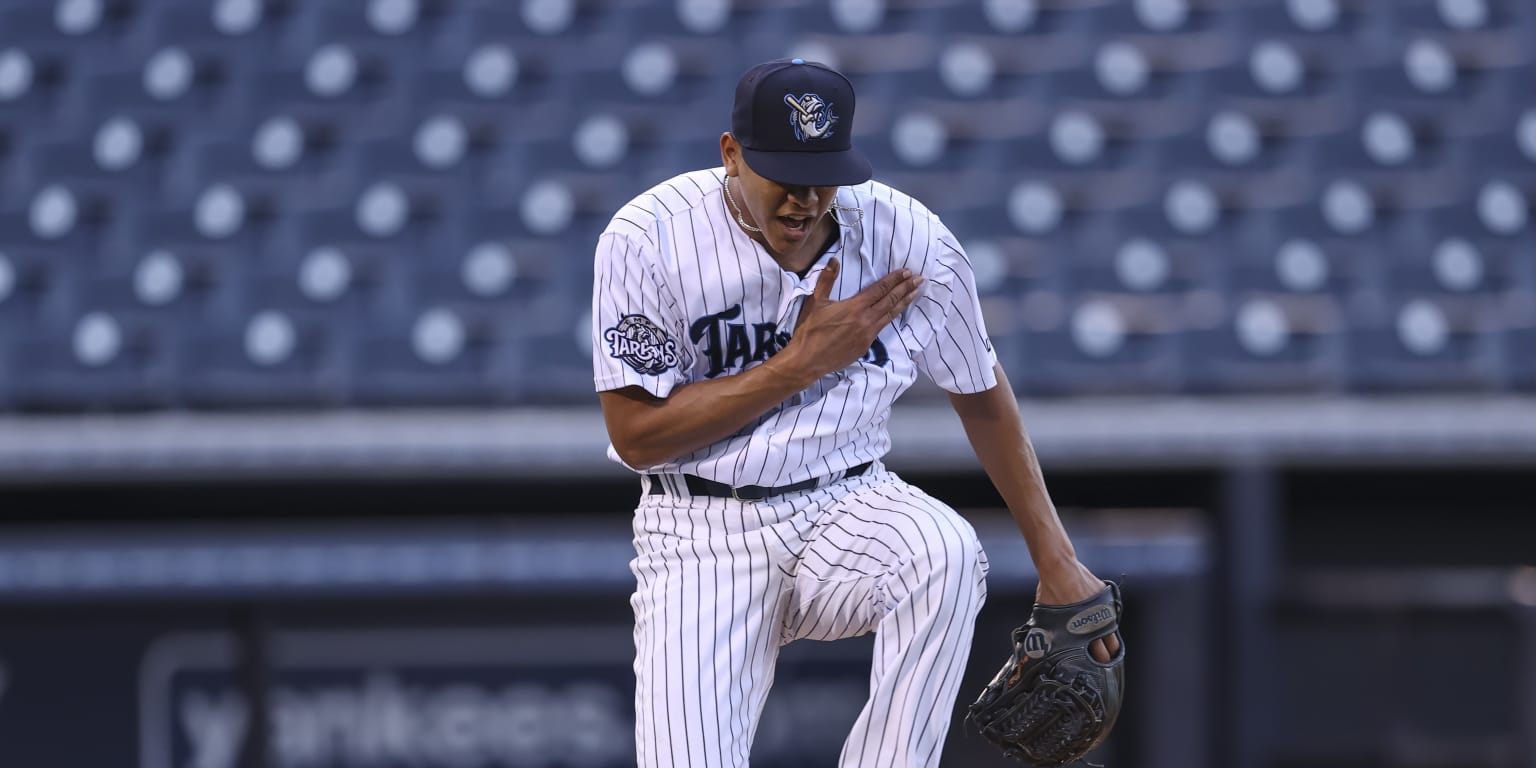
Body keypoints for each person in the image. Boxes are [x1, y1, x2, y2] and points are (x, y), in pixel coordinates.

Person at [591, 58, 1119, 768]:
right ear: (731, 154)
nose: (803, 201)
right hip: (700, 534)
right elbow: (637, 435)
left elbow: (980, 391)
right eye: (782, 175)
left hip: (848, 503)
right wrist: (797, 365)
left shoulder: (910, 240)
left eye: (823, 176)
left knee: (945, 552)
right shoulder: (649, 237)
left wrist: (1057, 563)